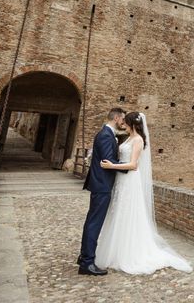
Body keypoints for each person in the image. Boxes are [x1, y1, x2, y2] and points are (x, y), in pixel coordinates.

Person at [96, 111, 192, 274]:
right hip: (121, 180)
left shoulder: (138, 140)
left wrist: (112, 166)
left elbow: (133, 165)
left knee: (127, 214)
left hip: (129, 181)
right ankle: (116, 249)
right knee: (118, 213)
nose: (123, 125)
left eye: (125, 123)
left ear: (132, 124)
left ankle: (129, 253)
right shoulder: (129, 138)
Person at [78, 107, 127, 276]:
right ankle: (87, 262)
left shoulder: (105, 134)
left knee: (92, 221)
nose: (123, 123)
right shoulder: (106, 135)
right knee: (94, 223)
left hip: (100, 184)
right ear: (116, 118)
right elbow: (108, 161)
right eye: (122, 119)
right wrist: (128, 167)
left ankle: (84, 257)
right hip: (102, 185)